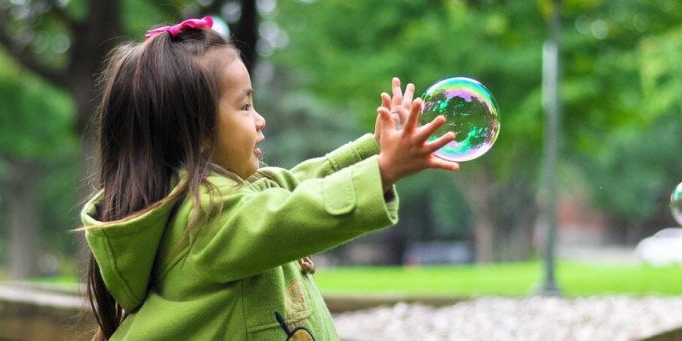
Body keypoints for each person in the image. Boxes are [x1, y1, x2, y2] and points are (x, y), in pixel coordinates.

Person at [80, 16, 458, 340]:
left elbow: (298, 184)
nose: (260, 120)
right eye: (244, 107)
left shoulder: (228, 198)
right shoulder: (206, 220)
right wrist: (384, 171)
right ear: (197, 133)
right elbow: (290, 214)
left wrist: (376, 149)